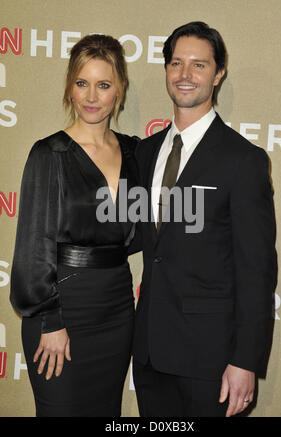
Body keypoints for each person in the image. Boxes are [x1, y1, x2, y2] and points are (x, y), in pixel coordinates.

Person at [133, 21, 277, 417]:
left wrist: (246, 360)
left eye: (199, 65)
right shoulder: (145, 154)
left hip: (210, 362)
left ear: (218, 74)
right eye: (176, 63)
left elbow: (256, 270)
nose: (185, 75)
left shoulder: (243, 160)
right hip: (148, 355)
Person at [10, 34, 140, 417]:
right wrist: (50, 321)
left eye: (103, 85)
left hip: (117, 309)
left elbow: (135, 230)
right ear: (70, 86)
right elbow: (34, 246)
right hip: (62, 310)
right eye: (82, 83)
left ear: (119, 90)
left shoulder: (134, 152)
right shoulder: (50, 153)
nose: (91, 96)